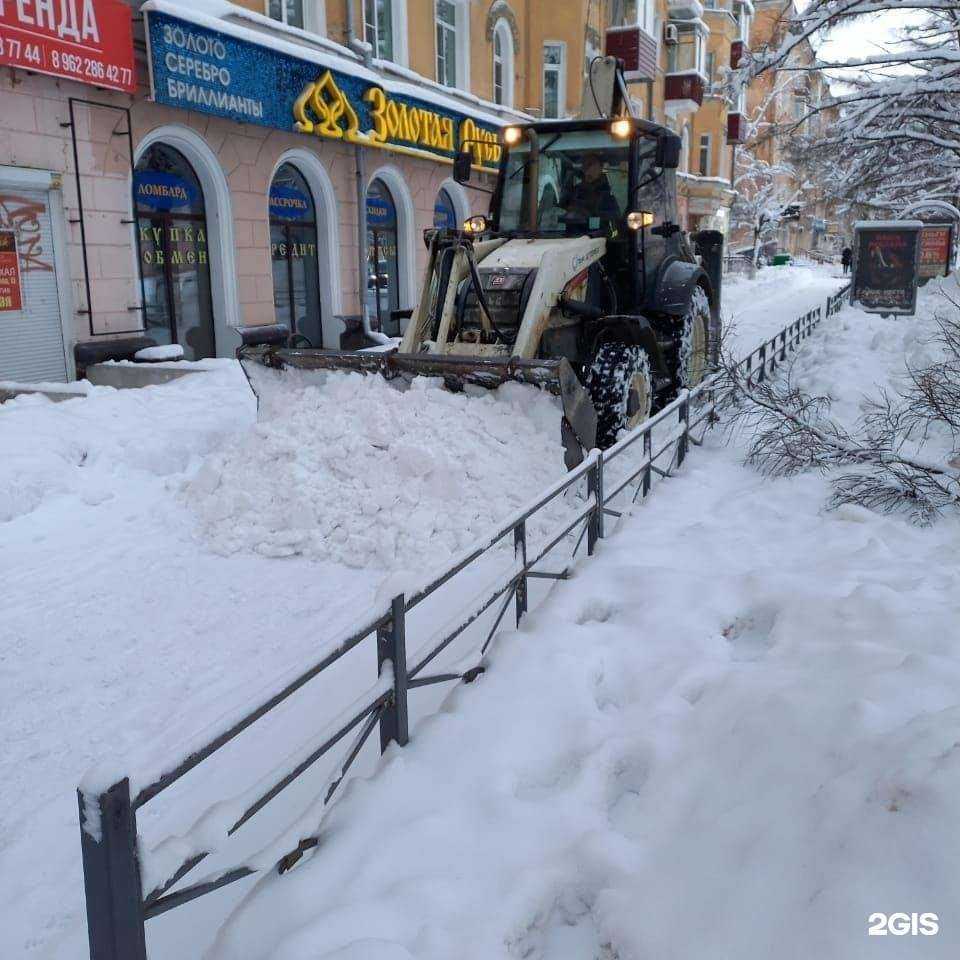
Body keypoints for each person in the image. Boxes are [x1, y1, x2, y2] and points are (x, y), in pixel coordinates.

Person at [560, 154, 621, 227]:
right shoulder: (575, 191)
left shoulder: (608, 195)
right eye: (584, 165)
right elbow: (561, 210)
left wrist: (589, 213)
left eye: (590, 164)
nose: (586, 168)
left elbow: (614, 220)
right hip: (571, 235)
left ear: (600, 168)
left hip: (598, 235)